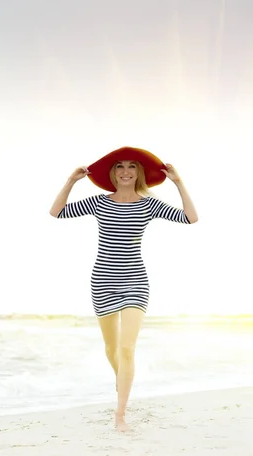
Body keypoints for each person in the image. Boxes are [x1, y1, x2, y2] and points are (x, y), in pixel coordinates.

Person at [49, 146, 198, 432]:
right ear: (112, 173)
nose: (126, 171)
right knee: (111, 348)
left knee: (127, 347)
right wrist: (71, 181)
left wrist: (179, 183)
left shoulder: (149, 205)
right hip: (102, 282)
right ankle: (123, 382)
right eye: (120, 166)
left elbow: (190, 217)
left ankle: (120, 414)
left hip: (135, 283)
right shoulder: (98, 203)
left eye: (132, 167)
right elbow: (56, 212)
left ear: (139, 173)